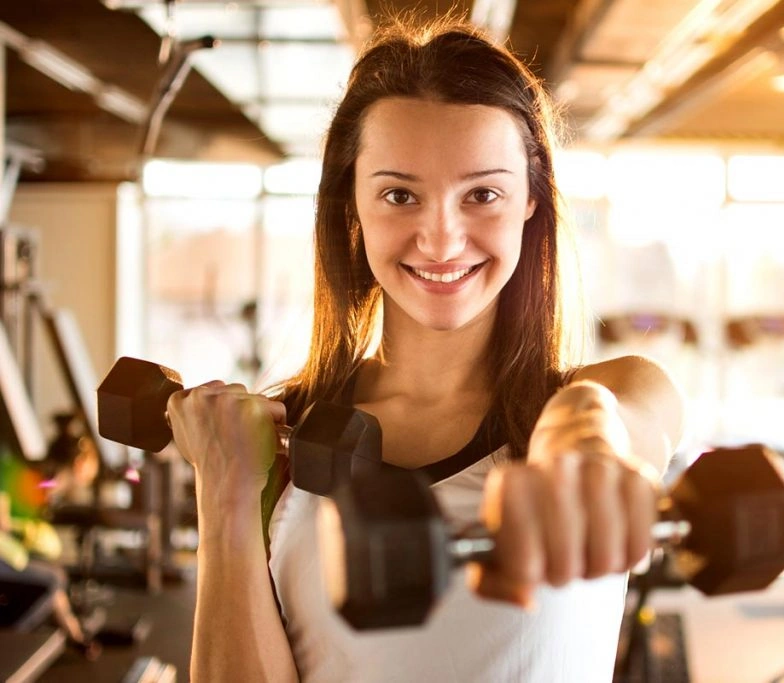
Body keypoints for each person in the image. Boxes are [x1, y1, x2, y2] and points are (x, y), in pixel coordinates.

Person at [166, 16, 684, 683]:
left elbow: (618, 418)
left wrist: (581, 438)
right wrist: (225, 500)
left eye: (482, 194)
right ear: (351, 205)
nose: (441, 241)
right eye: (399, 194)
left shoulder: (618, 392)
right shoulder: (276, 435)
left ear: (531, 199)